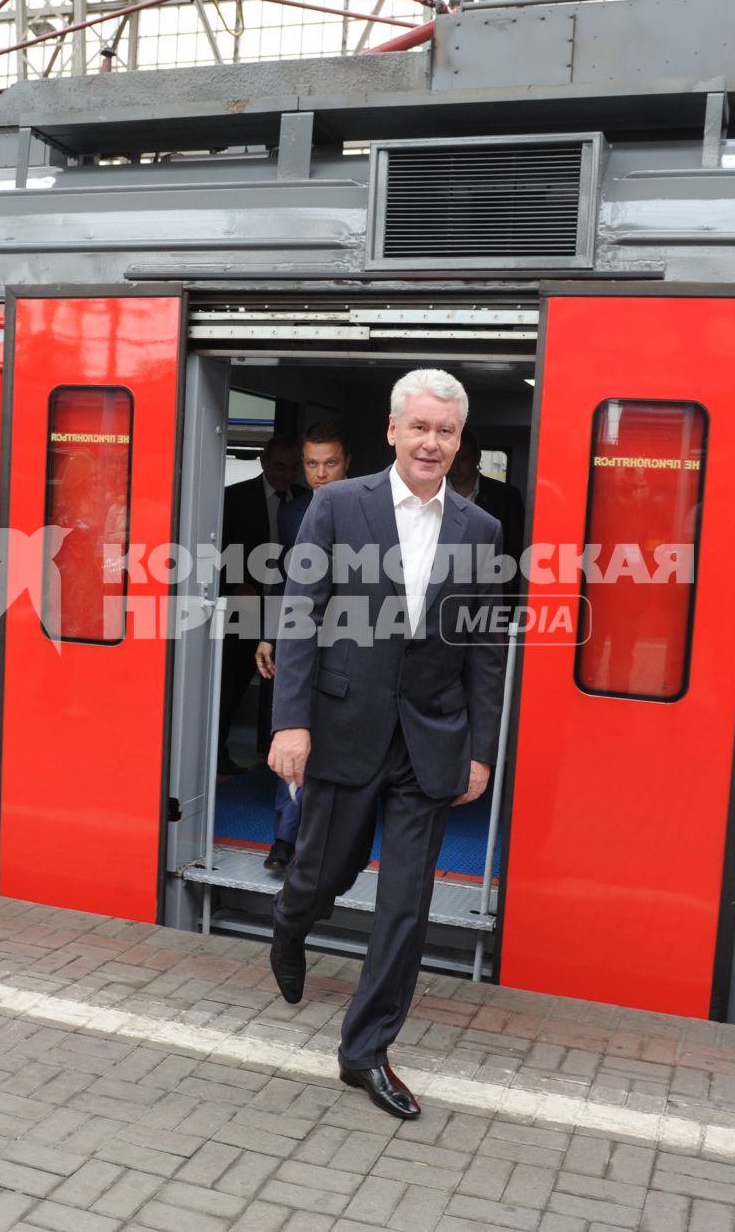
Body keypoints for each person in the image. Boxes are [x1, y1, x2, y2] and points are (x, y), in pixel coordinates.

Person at [267, 370, 504, 1120]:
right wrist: (289, 720)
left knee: (406, 903)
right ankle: (290, 922)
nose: (432, 441)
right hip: (342, 725)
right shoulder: (338, 505)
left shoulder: (482, 529)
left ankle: (363, 1050)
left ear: (459, 441)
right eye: (421, 427)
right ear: (394, 431)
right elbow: (299, 614)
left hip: (429, 740)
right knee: (320, 872)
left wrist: (481, 748)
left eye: (446, 430)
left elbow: (484, 650)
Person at [254, 420, 352, 873]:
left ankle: (325, 844)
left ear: (346, 463)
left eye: (329, 463)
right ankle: (283, 839)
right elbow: (284, 581)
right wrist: (269, 633)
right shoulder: (291, 514)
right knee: (293, 733)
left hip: (356, 644)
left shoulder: (369, 509)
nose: (320, 473)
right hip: (300, 641)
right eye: (312, 464)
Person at [218, 436, 301, 776]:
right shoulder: (234, 498)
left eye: (294, 467)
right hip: (248, 605)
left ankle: (278, 755)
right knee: (232, 682)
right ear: (265, 463)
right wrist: (234, 582)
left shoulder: (307, 502)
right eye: (280, 466)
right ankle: (218, 751)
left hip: (290, 608)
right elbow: (215, 546)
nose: (286, 474)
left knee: (287, 681)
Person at [446, 427, 526, 595]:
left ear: (477, 458)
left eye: (462, 459)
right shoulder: (429, 494)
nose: (455, 466)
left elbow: (516, 550)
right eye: (451, 458)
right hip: (443, 587)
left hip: (491, 589)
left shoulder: (507, 497)